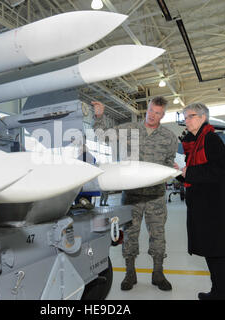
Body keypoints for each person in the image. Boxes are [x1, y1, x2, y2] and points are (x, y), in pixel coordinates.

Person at [92, 97, 178, 291]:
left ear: (162, 115)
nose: (152, 115)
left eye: (157, 113)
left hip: (156, 196)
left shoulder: (169, 137)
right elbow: (103, 136)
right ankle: (130, 274)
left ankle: (158, 273)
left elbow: (168, 161)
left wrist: (171, 168)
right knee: (130, 235)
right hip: (132, 196)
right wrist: (99, 116)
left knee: (158, 235)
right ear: (146, 109)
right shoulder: (129, 129)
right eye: (150, 111)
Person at [175, 102, 225, 300]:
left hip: (214, 207)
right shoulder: (193, 143)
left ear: (202, 118)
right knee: (212, 252)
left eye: (190, 116)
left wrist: (189, 172)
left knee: (217, 253)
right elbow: (190, 175)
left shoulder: (211, 140)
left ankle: (224, 294)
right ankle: (218, 291)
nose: (186, 121)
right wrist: (178, 172)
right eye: (185, 117)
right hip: (202, 206)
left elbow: (219, 171)